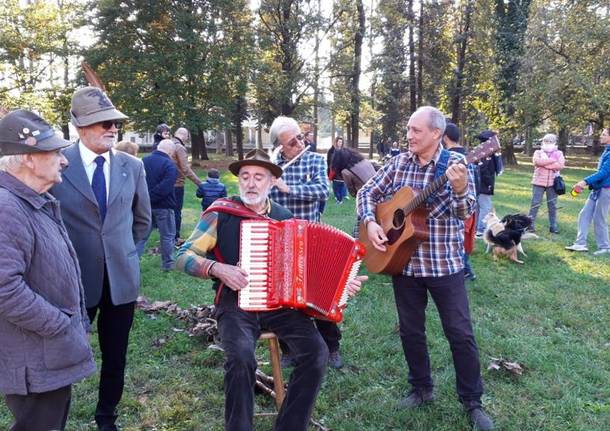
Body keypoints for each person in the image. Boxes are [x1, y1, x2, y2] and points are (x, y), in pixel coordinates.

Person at [176, 149, 366, 431]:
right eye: (245, 176)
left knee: (316, 353)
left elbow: (310, 272)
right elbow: (182, 256)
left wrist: (340, 287)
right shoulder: (220, 213)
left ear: (271, 182)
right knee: (241, 358)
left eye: (259, 177)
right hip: (236, 303)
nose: (251, 183)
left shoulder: (285, 218)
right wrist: (218, 269)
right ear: (238, 180)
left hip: (281, 306)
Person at [357, 106, 494, 431]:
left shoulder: (458, 166)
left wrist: (459, 189)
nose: (409, 135)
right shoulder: (400, 162)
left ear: (436, 133)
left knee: (460, 333)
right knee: (411, 330)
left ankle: (472, 401)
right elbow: (367, 191)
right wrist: (371, 222)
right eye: (408, 129)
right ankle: (421, 388)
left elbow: (465, 212)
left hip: (443, 265)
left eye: (416, 130)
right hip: (403, 264)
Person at [50, 86, 152, 431]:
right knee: (61, 355)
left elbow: (143, 220)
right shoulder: (58, 163)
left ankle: (106, 416)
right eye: (102, 123)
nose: (112, 129)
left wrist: (123, 253)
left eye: (115, 123)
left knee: (115, 356)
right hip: (72, 281)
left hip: (120, 282)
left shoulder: (132, 166)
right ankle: (52, 417)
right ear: (79, 127)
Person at [0, 110, 96, 430]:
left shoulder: (32, 200)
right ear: (28, 158)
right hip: (34, 359)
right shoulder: (6, 207)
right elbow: (4, 289)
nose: (64, 160)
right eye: (54, 152)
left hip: (46, 355)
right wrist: (59, 324)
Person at [269, 117, 347, 368]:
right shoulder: (273, 166)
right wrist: (270, 181)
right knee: (284, 297)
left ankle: (332, 347)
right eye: (292, 142)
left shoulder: (314, 160)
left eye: (301, 137)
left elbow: (321, 191)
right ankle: (289, 349)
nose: (300, 143)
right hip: (280, 241)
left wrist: (287, 187)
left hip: (310, 239)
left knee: (319, 295)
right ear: (280, 147)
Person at [565, 127, 610, 255]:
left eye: (604, 134)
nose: (601, 136)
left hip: (606, 190)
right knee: (584, 214)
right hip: (597, 189)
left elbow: (604, 172)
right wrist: (590, 184)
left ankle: (605, 247)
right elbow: (601, 173)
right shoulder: (606, 151)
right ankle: (580, 244)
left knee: (599, 218)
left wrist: (585, 181)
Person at [443, 122, 477, 280]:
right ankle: (465, 269)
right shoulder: (465, 154)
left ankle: (464, 270)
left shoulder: (457, 159)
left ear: (444, 137)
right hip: (470, 204)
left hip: (463, 205)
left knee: (460, 239)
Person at [139, 139, 178, 270]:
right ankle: (168, 264)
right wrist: (151, 197)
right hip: (164, 206)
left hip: (144, 205)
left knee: (142, 236)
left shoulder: (143, 161)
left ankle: (133, 261)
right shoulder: (170, 165)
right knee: (167, 236)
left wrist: (145, 198)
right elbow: (166, 187)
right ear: (171, 151)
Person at [527, 133, 565, 234]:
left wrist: (545, 164)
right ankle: (529, 225)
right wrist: (552, 161)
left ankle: (553, 226)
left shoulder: (559, 153)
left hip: (553, 183)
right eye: (546, 141)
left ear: (554, 142)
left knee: (552, 205)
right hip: (538, 182)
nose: (548, 143)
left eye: (550, 141)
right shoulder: (538, 152)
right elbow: (536, 162)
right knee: (535, 203)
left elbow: (560, 165)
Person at [172, 127, 203, 245]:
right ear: (184, 136)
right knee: (176, 212)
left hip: (166, 183)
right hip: (177, 184)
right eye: (187, 137)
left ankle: (168, 237)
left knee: (169, 211)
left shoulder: (168, 145)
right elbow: (185, 168)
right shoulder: (179, 147)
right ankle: (175, 238)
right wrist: (200, 183)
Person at [475, 130, 503, 237]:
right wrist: (489, 184)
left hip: (480, 185)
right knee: (485, 207)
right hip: (484, 185)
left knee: (479, 206)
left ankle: (476, 228)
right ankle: (480, 230)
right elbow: (484, 170)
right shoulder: (486, 155)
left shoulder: (482, 153)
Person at [327, 136, 348, 204]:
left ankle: (340, 198)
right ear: (336, 142)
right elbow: (329, 161)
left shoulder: (344, 150)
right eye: (339, 142)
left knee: (340, 185)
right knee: (336, 186)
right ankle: (339, 198)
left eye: (341, 142)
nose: (340, 143)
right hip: (335, 171)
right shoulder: (332, 150)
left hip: (341, 172)